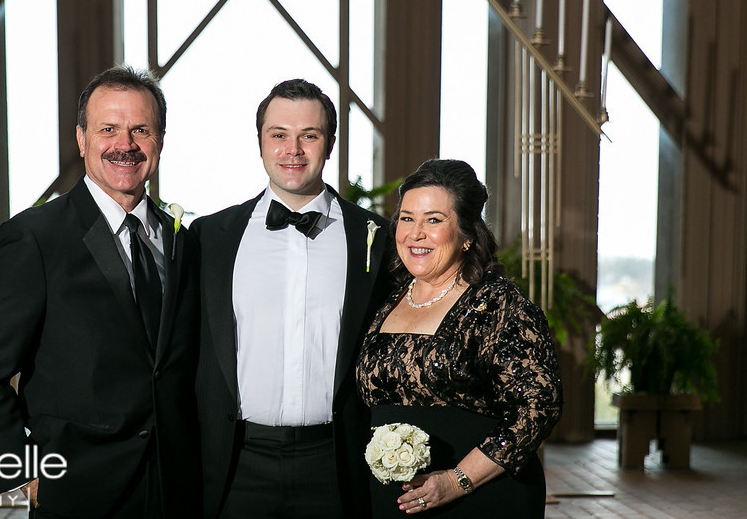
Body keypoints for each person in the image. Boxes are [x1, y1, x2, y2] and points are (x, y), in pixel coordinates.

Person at [0, 66, 200, 518]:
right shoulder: (33, 237)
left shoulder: (183, 239)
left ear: (160, 141)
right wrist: (24, 472)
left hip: (177, 488)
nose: (124, 145)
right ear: (82, 139)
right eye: (108, 129)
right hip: (76, 489)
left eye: (140, 130)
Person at [192, 79, 394, 519]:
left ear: (331, 144)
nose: (293, 149)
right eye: (279, 135)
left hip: (338, 462)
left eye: (310, 135)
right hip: (234, 462)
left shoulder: (376, 239)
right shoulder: (210, 237)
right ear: (260, 142)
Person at [356, 158, 563, 517]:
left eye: (433, 220)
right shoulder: (383, 302)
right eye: (407, 218)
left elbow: (538, 407)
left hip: (480, 498)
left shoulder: (498, 304)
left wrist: (456, 481)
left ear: (466, 234)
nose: (415, 233)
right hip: (390, 503)